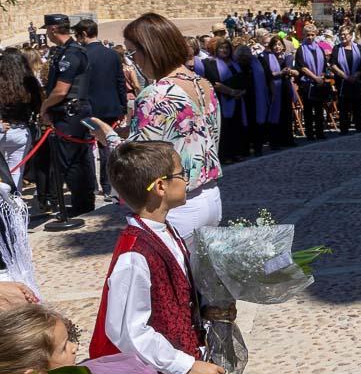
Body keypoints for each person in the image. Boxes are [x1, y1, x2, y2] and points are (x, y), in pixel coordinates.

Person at [89, 141, 244, 374]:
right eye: (180, 173)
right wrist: (186, 365)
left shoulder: (166, 230)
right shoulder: (134, 254)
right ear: (160, 187)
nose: (187, 178)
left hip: (181, 368)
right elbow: (129, 331)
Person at [90, 13, 223, 239]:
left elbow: (140, 163)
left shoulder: (156, 94)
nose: (133, 61)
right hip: (210, 197)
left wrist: (108, 137)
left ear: (151, 49)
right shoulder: (203, 83)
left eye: (133, 53)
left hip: (176, 204)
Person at [39, 13, 95, 217]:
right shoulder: (67, 51)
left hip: (70, 112)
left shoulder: (70, 54)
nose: (46, 33)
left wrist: (44, 107)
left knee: (70, 160)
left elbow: (61, 90)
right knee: (79, 158)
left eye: (47, 29)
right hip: (73, 111)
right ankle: (84, 201)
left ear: (53, 29)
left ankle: (81, 204)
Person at [1, 50, 42, 296]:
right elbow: (38, 105)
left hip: (2, 129)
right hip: (19, 132)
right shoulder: (29, 83)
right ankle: (12, 223)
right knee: (13, 183)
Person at [73, 19, 127, 202]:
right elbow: (120, 81)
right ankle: (108, 185)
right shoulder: (111, 54)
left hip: (89, 108)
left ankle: (92, 186)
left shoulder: (80, 55)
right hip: (110, 107)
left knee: (88, 147)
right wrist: (122, 106)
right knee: (107, 148)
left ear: (83, 34)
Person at [202, 39, 247, 163]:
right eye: (222, 48)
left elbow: (242, 80)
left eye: (227, 48)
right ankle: (225, 155)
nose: (224, 50)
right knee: (224, 128)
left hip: (237, 100)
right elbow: (214, 83)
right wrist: (232, 92)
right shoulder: (210, 63)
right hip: (222, 100)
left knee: (236, 127)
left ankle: (237, 152)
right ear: (216, 49)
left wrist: (241, 92)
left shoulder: (235, 63)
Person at [293, 23, 330, 141]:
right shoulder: (301, 49)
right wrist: (314, 77)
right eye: (308, 35)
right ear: (304, 35)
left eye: (312, 35)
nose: (310, 37)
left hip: (318, 82)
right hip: (307, 82)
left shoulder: (319, 48)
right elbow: (302, 67)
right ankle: (310, 133)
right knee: (308, 110)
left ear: (316, 35)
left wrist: (321, 77)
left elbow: (324, 65)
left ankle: (320, 132)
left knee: (319, 109)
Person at [331, 25, 361, 134]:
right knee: (344, 107)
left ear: (351, 35)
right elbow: (333, 65)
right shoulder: (337, 49)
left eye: (345, 34)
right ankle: (344, 128)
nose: (343, 36)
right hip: (343, 82)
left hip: (356, 81)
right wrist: (346, 77)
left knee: (358, 105)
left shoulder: (359, 48)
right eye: (341, 34)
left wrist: (355, 76)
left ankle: (359, 126)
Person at [264, 36, 298, 148]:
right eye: (274, 45)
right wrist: (280, 73)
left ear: (283, 46)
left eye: (279, 44)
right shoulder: (267, 58)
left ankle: (288, 139)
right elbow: (268, 74)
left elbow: (292, 70)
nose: (277, 47)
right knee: (275, 114)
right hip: (273, 88)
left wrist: (291, 71)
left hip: (285, 87)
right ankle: (275, 141)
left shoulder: (286, 57)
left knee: (287, 114)